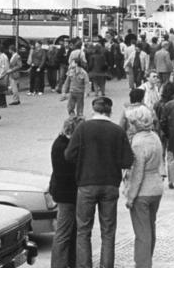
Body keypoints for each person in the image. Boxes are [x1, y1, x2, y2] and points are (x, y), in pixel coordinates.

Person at [64, 96, 134, 268]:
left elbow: (69, 155)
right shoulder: (117, 131)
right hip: (110, 184)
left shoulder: (83, 128)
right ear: (110, 110)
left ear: (93, 109)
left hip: (87, 183)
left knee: (83, 230)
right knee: (108, 231)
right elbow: (127, 160)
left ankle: (85, 268)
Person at [124, 105, 165, 268]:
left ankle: (142, 265)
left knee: (142, 232)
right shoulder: (154, 136)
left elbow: (137, 173)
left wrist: (130, 196)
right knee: (150, 227)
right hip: (156, 187)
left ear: (135, 123)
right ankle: (147, 261)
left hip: (143, 191)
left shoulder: (137, 142)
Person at [49, 115, 84, 268]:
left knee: (71, 230)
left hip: (67, 193)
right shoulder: (63, 146)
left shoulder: (63, 142)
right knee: (63, 232)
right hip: (67, 195)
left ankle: (71, 262)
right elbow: (67, 173)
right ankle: (59, 266)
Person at [153, 82, 174, 190]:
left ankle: (160, 177)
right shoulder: (173, 104)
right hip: (171, 132)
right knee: (171, 157)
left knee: (160, 156)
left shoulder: (157, 104)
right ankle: (172, 180)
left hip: (159, 132)